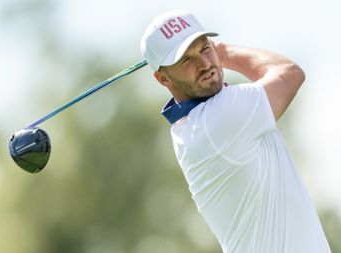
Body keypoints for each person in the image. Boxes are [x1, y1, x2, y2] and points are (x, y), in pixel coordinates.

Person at [140, 10, 331, 253]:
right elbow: (289, 73)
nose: (205, 64)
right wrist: (225, 53)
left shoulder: (195, 124)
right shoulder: (219, 118)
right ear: (163, 79)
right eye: (186, 60)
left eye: (204, 48)